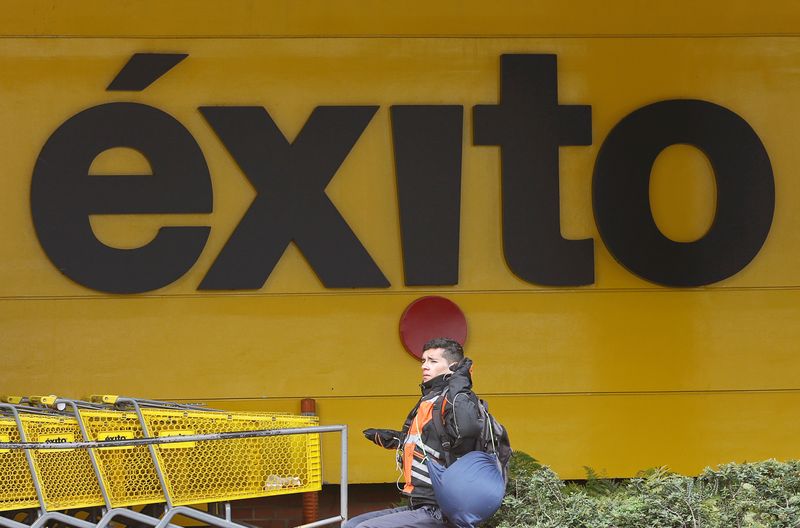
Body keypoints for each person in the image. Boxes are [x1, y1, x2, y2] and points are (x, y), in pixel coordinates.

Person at [344, 337, 483, 528]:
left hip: (440, 508)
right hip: (417, 502)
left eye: (433, 361)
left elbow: (466, 429)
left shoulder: (458, 399)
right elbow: (430, 441)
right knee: (351, 524)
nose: (424, 366)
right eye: (424, 361)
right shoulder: (430, 400)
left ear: (453, 367)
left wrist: (459, 384)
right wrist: (395, 440)